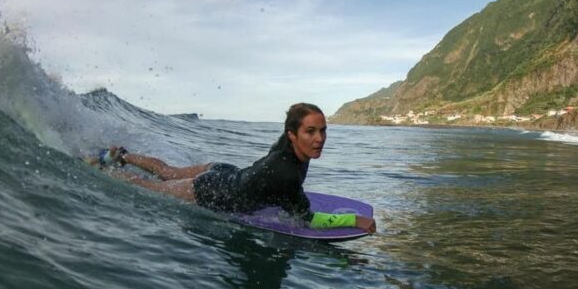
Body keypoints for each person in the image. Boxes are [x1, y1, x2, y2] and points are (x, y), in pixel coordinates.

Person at [92, 103, 376, 233]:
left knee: (168, 171)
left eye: (323, 130)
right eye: (310, 131)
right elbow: (308, 220)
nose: (319, 139)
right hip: (213, 189)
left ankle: (122, 155)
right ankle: (103, 168)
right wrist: (353, 220)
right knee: (150, 186)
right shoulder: (286, 173)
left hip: (227, 171)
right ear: (292, 135)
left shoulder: (288, 146)